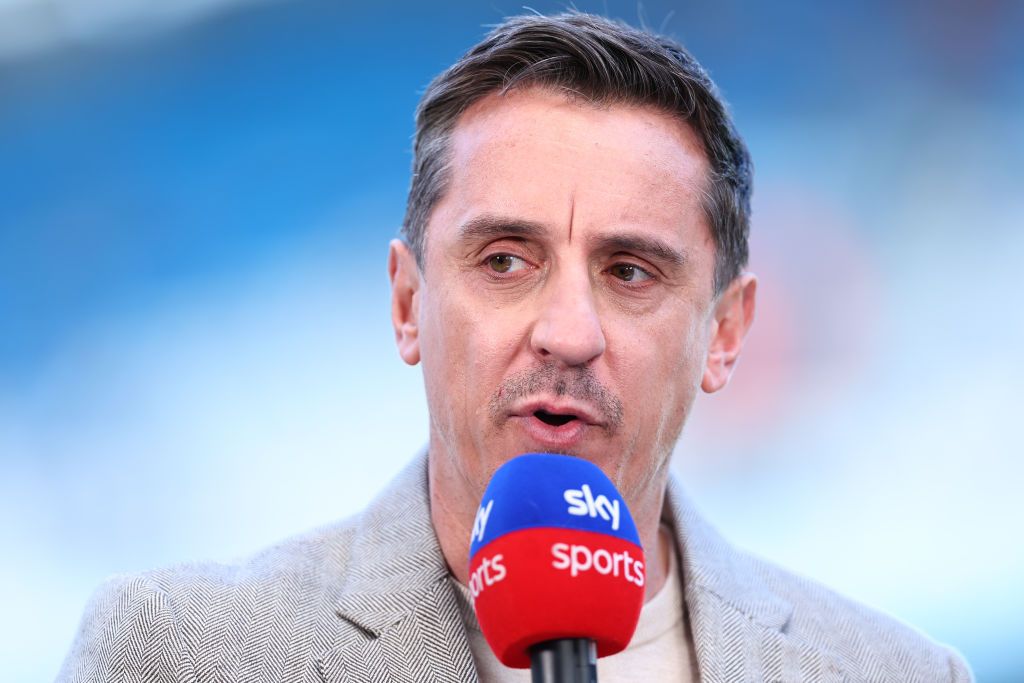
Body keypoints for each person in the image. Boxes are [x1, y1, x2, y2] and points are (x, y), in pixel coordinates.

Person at [59, 12, 972, 682]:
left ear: (724, 334)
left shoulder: (898, 672)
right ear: (409, 303)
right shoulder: (179, 653)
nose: (567, 332)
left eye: (630, 272)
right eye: (505, 260)